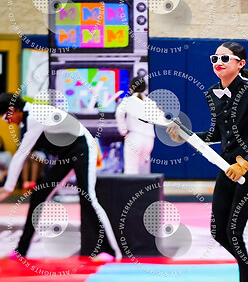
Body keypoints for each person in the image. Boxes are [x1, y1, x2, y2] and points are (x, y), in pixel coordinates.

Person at [167, 42, 248, 282]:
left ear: (240, 63)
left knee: (236, 231)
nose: (218, 62)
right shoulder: (212, 93)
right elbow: (218, 134)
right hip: (227, 167)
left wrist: (246, 163)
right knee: (219, 231)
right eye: (215, 58)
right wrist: (186, 135)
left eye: (225, 58)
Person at [0, 92, 122, 261]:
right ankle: (22, 250)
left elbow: (21, 154)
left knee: (88, 198)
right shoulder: (27, 119)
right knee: (39, 195)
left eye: (5, 117)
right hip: (67, 155)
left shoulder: (34, 116)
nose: (7, 122)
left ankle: (111, 251)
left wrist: (7, 188)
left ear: (13, 110)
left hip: (83, 147)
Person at [115, 77, 155, 174]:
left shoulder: (128, 100)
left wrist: (123, 130)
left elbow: (119, 113)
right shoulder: (151, 102)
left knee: (131, 171)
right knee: (144, 172)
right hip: (149, 140)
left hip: (134, 138)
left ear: (131, 88)